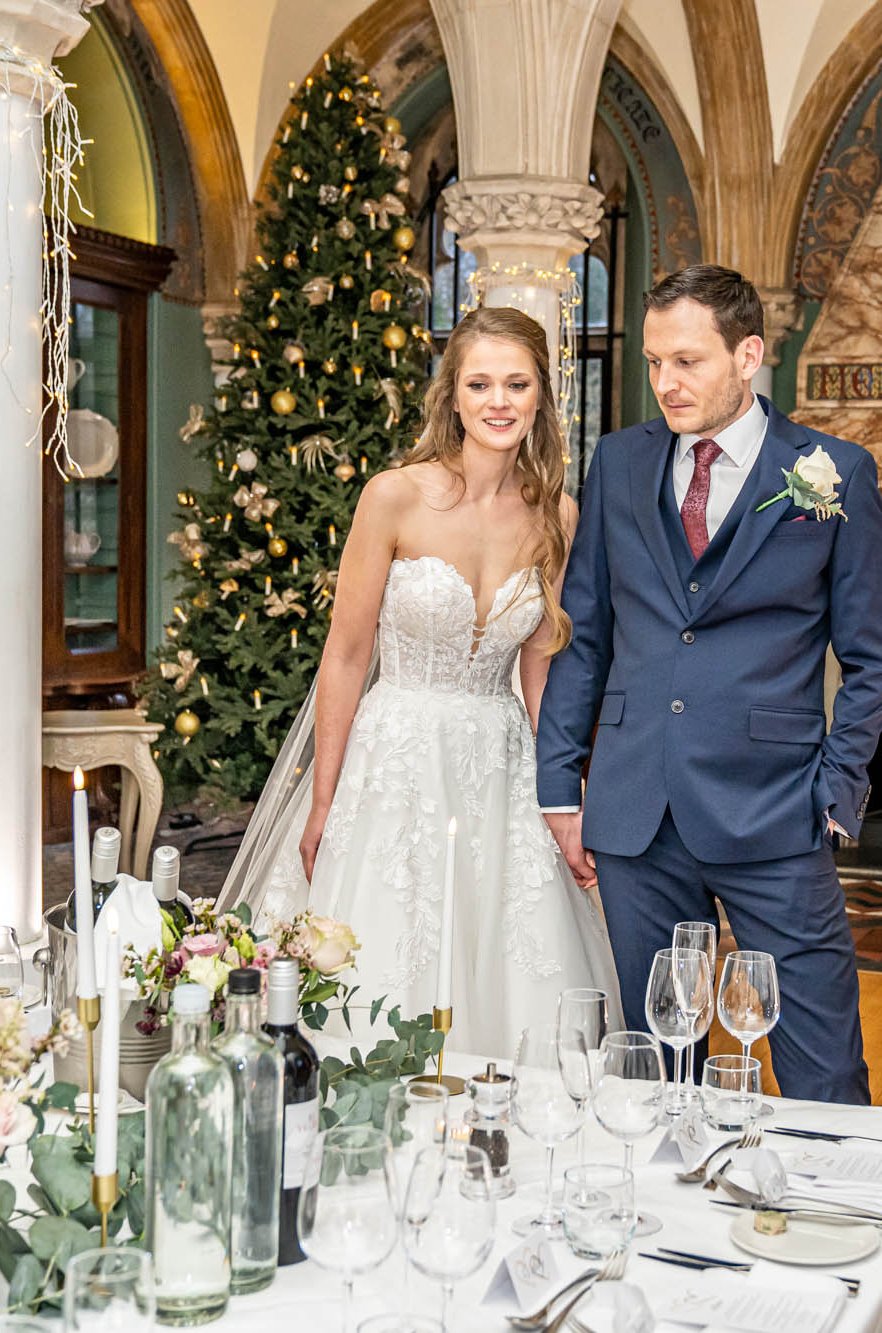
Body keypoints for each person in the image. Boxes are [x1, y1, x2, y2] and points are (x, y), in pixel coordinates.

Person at [537, 264, 882, 1105]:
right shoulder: (621, 462)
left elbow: (876, 655)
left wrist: (836, 790)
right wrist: (561, 786)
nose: (666, 382)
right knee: (660, 1065)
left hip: (776, 807)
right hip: (634, 808)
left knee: (822, 1062)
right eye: (656, 362)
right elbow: (583, 635)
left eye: (688, 362)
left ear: (749, 355)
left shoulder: (833, 472)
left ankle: (825, 1216)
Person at [219, 305, 618, 1058]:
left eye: (516, 383)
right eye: (480, 383)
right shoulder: (393, 496)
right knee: (380, 951)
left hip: (500, 762)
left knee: (507, 949)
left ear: (540, 397)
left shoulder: (556, 515)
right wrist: (326, 800)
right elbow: (344, 654)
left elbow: (539, 665)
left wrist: (558, 791)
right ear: (454, 396)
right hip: (395, 757)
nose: (499, 401)